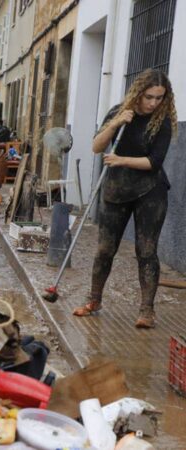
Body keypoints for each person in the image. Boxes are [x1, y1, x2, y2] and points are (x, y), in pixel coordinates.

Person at [73, 69, 177, 329]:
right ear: (138, 93)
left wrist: (120, 160)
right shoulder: (119, 112)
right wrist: (116, 123)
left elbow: (154, 162)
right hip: (117, 189)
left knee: (146, 251)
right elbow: (97, 147)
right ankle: (94, 299)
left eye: (159, 98)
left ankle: (147, 310)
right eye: (149, 97)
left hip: (150, 191)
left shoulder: (162, 120)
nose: (153, 103)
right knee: (105, 249)